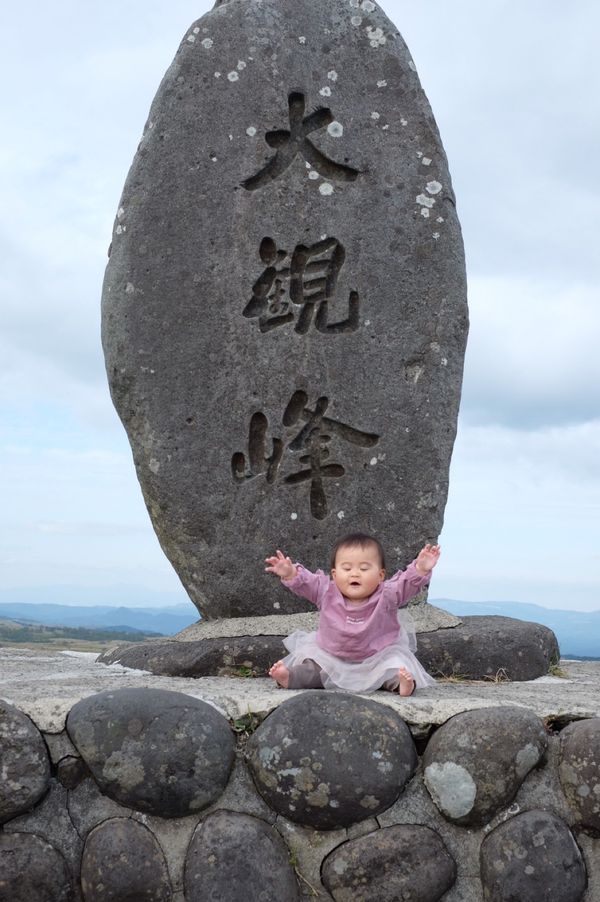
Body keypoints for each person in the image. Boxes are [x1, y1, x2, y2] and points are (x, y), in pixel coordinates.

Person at [265, 532, 439, 695]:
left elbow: (406, 584)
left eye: (364, 569)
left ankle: (402, 684)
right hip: (331, 657)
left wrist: (420, 569)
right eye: (347, 568)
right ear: (334, 574)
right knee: (312, 669)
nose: (355, 573)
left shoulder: (388, 594)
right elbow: (307, 582)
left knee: (394, 668)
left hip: (376, 658)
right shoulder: (325, 591)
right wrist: (290, 573)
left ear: (380, 575)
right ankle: (289, 677)